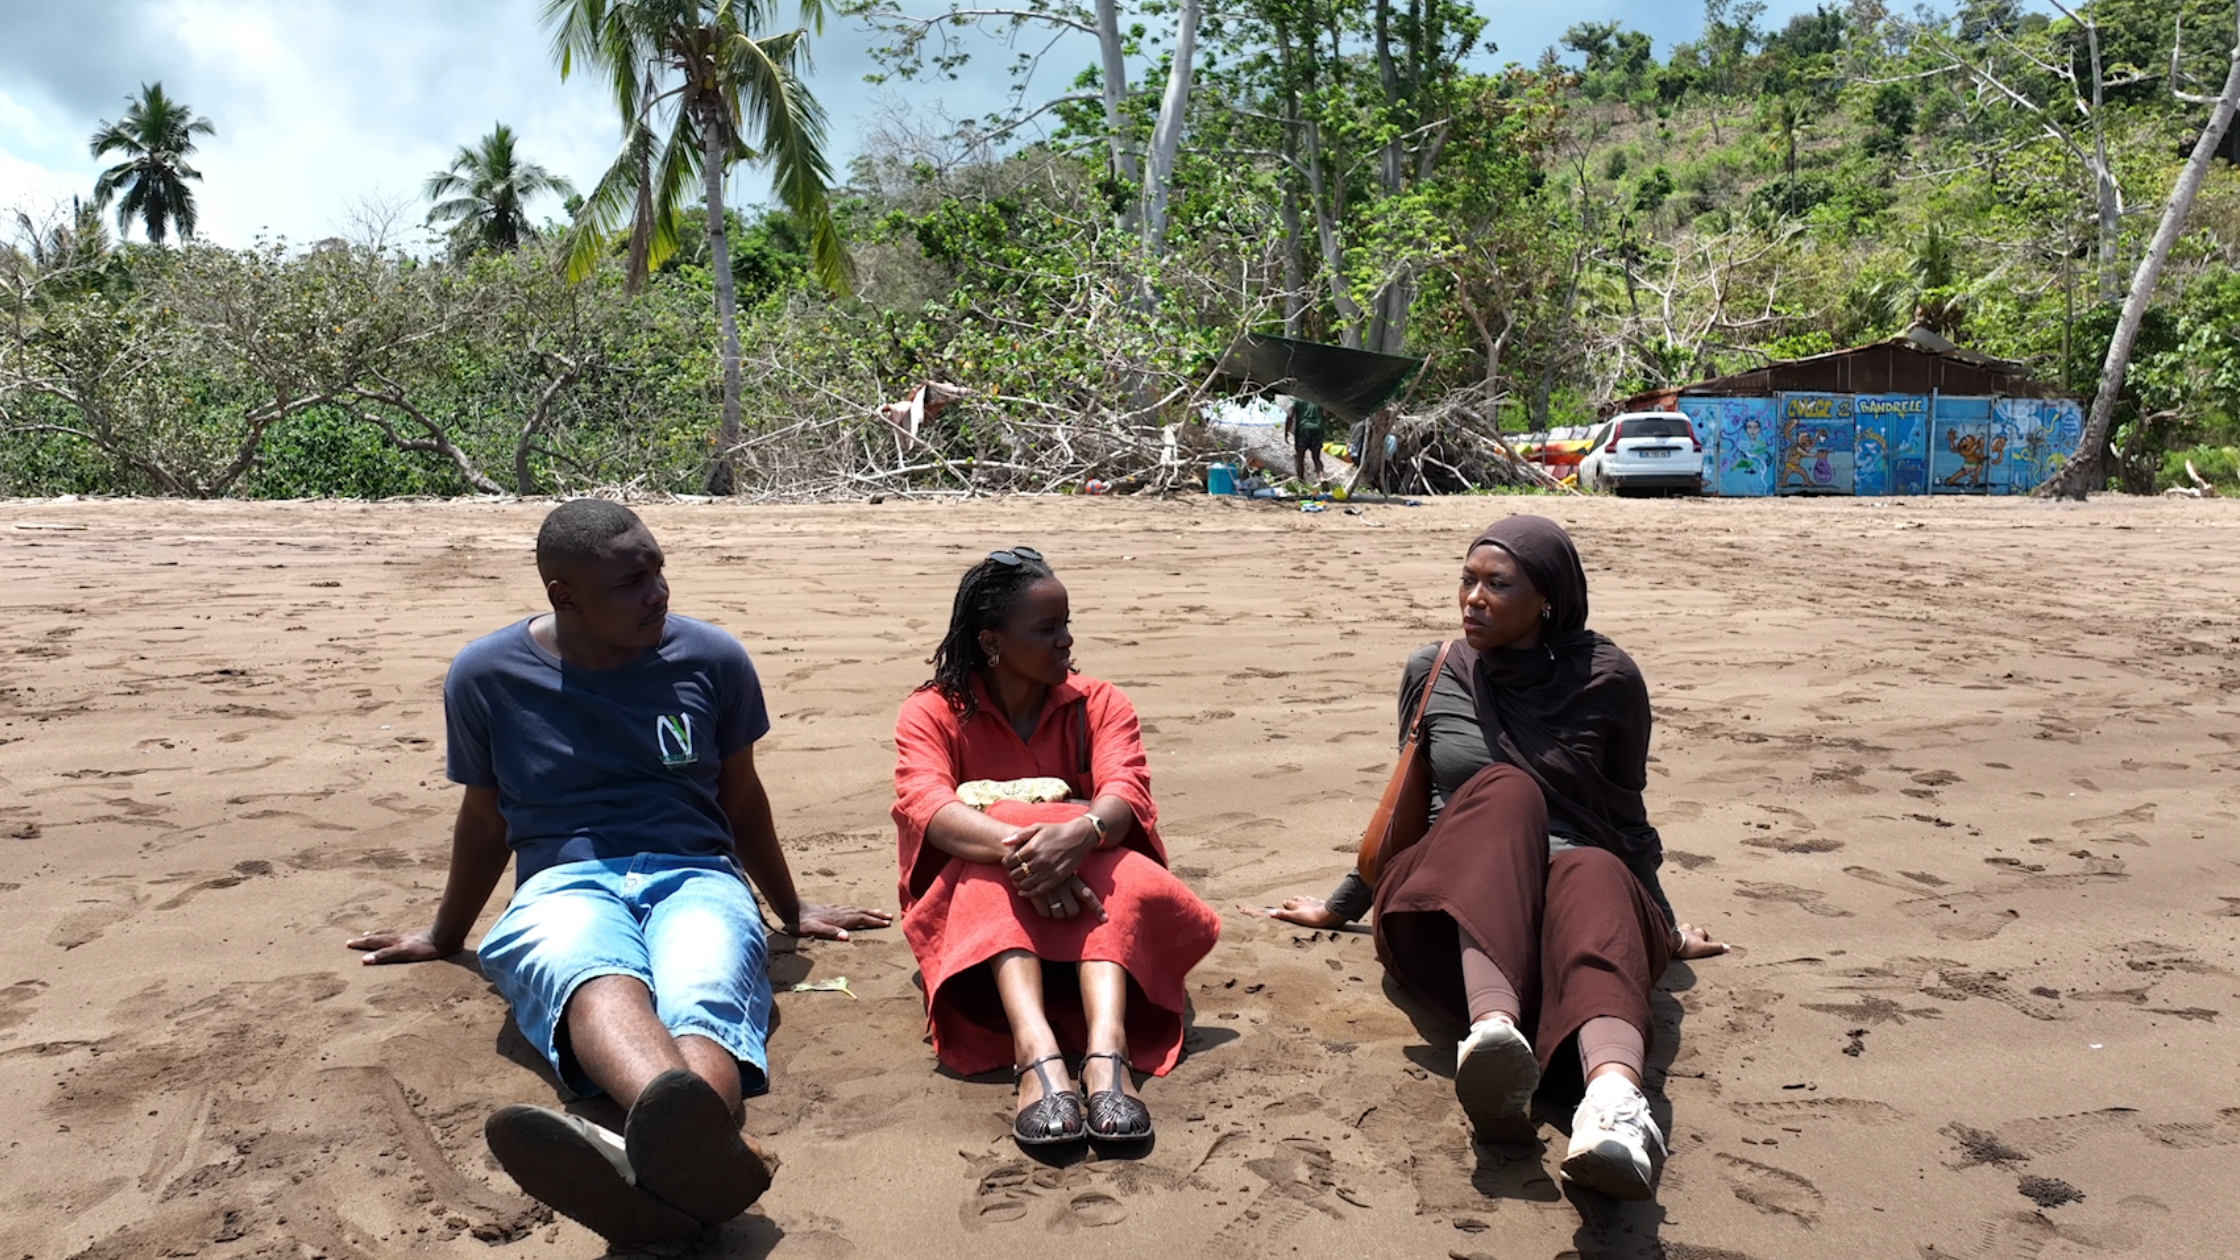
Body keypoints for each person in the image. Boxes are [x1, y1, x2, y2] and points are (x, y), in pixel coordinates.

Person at [345, 500, 890, 1245]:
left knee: (702, 993)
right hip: (562, 883)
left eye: (658, 570)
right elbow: (484, 819)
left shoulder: (712, 659)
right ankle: (708, 1160)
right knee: (594, 975)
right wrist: (445, 934)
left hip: (698, 873)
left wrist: (790, 910)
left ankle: (642, 1162)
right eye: (631, 582)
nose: (657, 593)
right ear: (562, 595)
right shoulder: (486, 674)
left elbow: (741, 798)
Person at [1256, 515, 1728, 1202]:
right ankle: (1494, 1035)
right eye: (1467, 580)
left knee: (1595, 866)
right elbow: (1407, 805)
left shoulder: (1609, 679)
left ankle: (1614, 1110)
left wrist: (1663, 924)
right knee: (1506, 790)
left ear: (1548, 600)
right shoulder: (1435, 668)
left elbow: (1626, 821)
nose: (1473, 598)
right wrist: (1339, 906)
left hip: (1565, 931)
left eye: (1497, 585)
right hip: (1444, 917)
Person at [891, 546, 1220, 1147]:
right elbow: (929, 808)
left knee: (1103, 847)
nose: (1065, 641)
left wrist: (1079, 837)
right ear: (991, 642)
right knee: (996, 852)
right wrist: (1037, 851)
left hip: (1093, 910)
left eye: (1066, 623)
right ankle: (1033, 1045)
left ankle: (1105, 1050)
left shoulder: (1101, 703)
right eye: (1046, 629)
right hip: (982, 924)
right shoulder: (931, 711)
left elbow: (1127, 792)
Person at [1285, 394, 1328, 484]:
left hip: (1303, 429)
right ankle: (1322, 477)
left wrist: (1286, 431)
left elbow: (1290, 416)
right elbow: (1325, 414)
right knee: (1316, 458)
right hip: (1317, 428)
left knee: (1300, 457)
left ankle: (1301, 481)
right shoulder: (1318, 398)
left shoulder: (1297, 398)